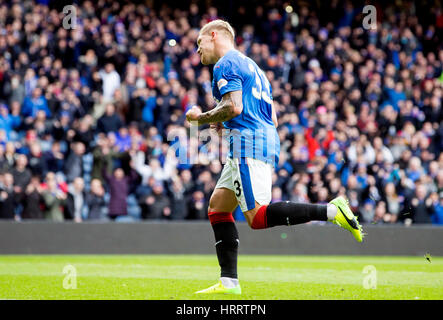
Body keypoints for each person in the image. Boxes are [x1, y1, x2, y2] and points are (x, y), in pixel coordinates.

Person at [185, 20, 364, 295]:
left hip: (248, 144)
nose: (198, 52)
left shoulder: (225, 63)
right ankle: (229, 282)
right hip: (257, 139)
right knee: (218, 207)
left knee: (257, 217)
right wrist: (222, 121)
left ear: (214, 35)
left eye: (199, 44)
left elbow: (233, 106)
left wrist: (200, 118)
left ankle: (332, 211)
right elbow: (270, 115)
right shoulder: (255, 69)